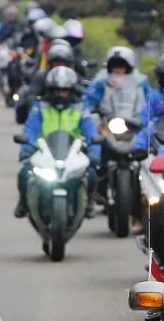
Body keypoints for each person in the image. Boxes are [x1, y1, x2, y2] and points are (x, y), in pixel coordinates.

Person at [15, 66, 100, 218]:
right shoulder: (40, 107)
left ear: (72, 91)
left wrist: (94, 150)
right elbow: (30, 129)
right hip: (44, 151)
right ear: (50, 90)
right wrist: (26, 148)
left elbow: (90, 131)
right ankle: (23, 203)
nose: (61, 94)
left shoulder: (81, 108)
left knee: (92, 174)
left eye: (65, 90)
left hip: (75, 152)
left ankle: (88, 202)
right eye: (57, 90)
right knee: (24, 173)